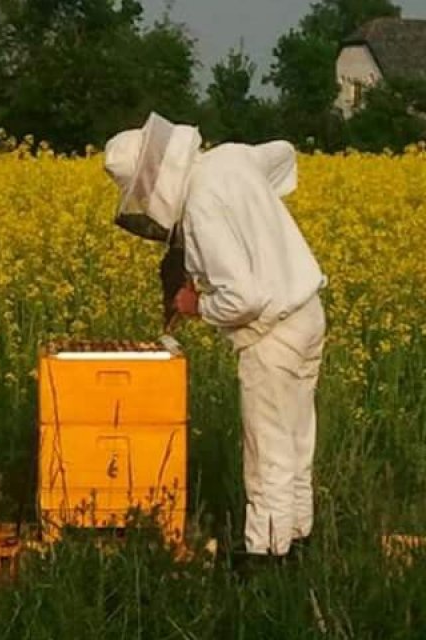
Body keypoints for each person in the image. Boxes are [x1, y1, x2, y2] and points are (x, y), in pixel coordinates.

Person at [102, 113, 327, 564]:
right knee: (297, 440)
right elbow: (283, 153)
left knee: (267, 452)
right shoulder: (232, 158)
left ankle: (266, 558)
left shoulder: (201, 204)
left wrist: (196, 307)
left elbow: (245, 296)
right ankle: (298, 540)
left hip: (272, 335)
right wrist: (254, 218)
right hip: (307, 315)